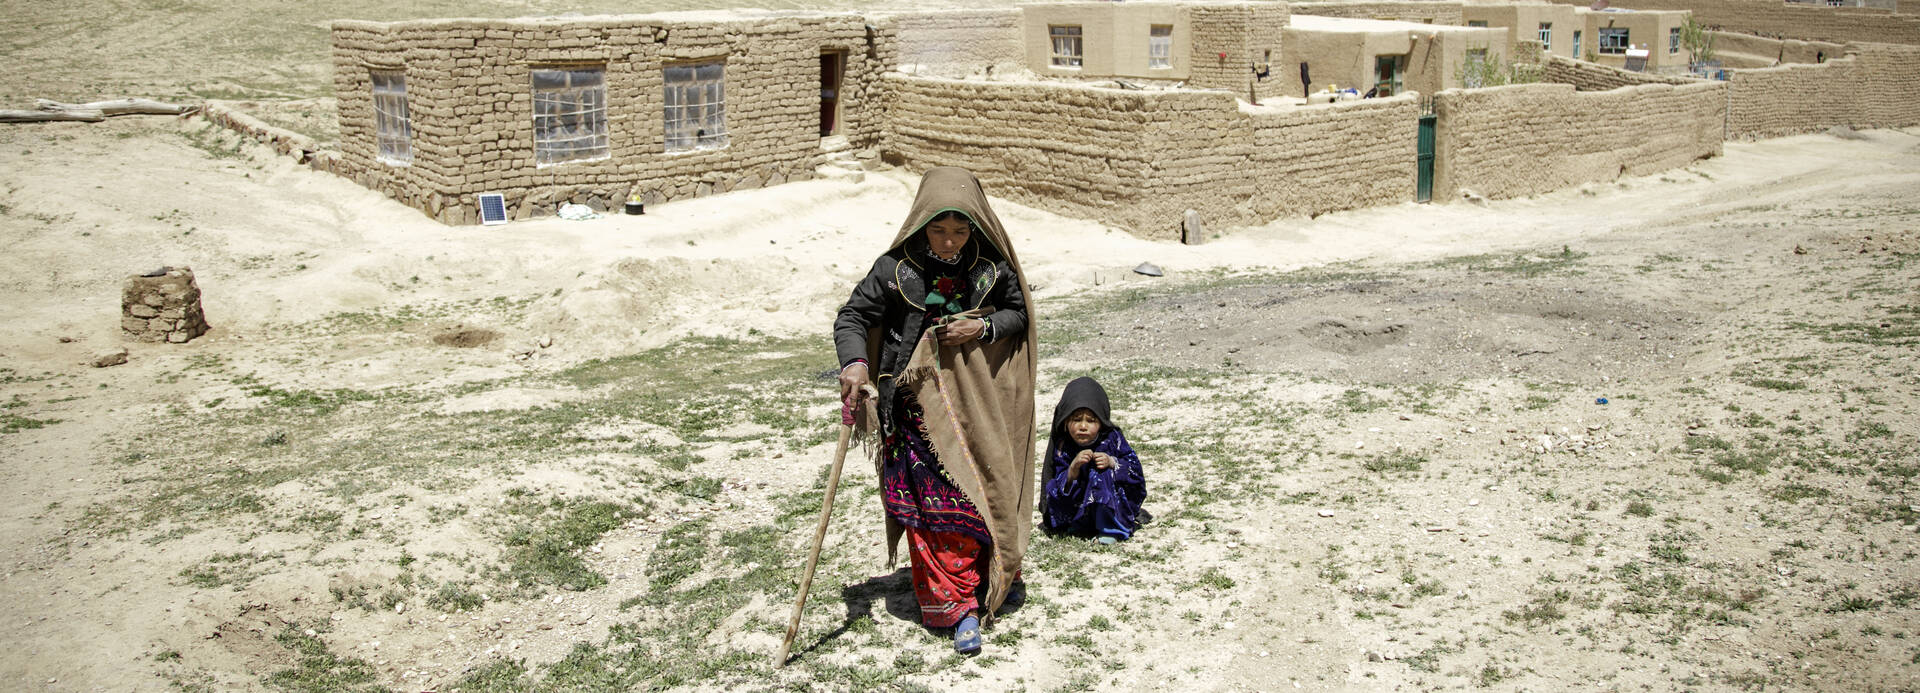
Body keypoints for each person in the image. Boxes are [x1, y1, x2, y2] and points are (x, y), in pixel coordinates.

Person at [833, 167, 1036, 655]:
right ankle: (958, 605)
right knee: (935, 507)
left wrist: (979, 330)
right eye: (939, 230)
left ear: (976, 228)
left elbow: (1018, 313)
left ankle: (984, 577)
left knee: (980, 492)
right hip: (912, 410)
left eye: (961, 231)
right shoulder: (894, 268)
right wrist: (856, 364)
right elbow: (853, 317)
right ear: (922, 223)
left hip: (974, 406)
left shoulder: (991, 268)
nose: (949, 242)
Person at [1041, 377, 1146, 545]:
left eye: (1091, 420)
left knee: (1100, 472)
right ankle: (1077, 523)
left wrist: (1112, 462)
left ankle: (1110, 529)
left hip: (1110, 506)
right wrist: (1073, 470)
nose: (1083, 426)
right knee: (1061, 484)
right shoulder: (1063, 446)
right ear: (1066, 421)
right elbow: (1056, 482)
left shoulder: (1112, 439)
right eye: (1076, 420)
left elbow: (1135, 471)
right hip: (1076, 508)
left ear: (1101, 422)